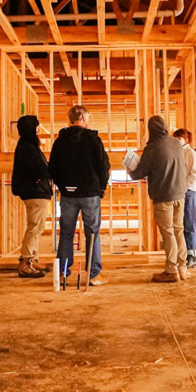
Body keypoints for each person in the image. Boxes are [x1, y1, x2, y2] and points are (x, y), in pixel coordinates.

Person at [48, 105, 111, 286]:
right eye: (88, 117)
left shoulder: (60, 141)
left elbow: (52, 168)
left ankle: (62, 273)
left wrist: (63, 186)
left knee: (66, 233)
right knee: (92, 233)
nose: (89, 120)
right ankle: (93, 275)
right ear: (82, 117)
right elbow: (103, 166)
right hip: (90, 193)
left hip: (68, 194)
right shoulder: (93, 140)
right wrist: (101, 188)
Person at [129, 116, 188, 283]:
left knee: (168, 233)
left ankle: (171, 270)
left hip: (163, 196)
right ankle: (182, 268)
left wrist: (130, 169)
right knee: (179, 231)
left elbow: (139, 172)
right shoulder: (176, 143)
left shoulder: (152, 148)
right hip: (180, 193)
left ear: (151, 130)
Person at [11, 115, 53, 279]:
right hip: (35, 192)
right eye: (36, 126)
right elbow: (41, 169)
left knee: (37, 227)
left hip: (36, 191)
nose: (38, 129)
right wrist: (53, 170)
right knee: (35, 227)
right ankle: (26, 263)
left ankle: (33, 259)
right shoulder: (28, 147)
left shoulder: (28, 145)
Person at [173, 128, 196, 268]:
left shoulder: (190, 153)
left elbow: (195, 174)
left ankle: (192, 255)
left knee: (189, 223)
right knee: (180, 225)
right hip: (178, 192)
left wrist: (184, 185)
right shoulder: (176, 153)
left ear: (186, 140)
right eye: (175, 138)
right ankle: (183, 255)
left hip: (189, 191)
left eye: (179, 138)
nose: (177, 140)